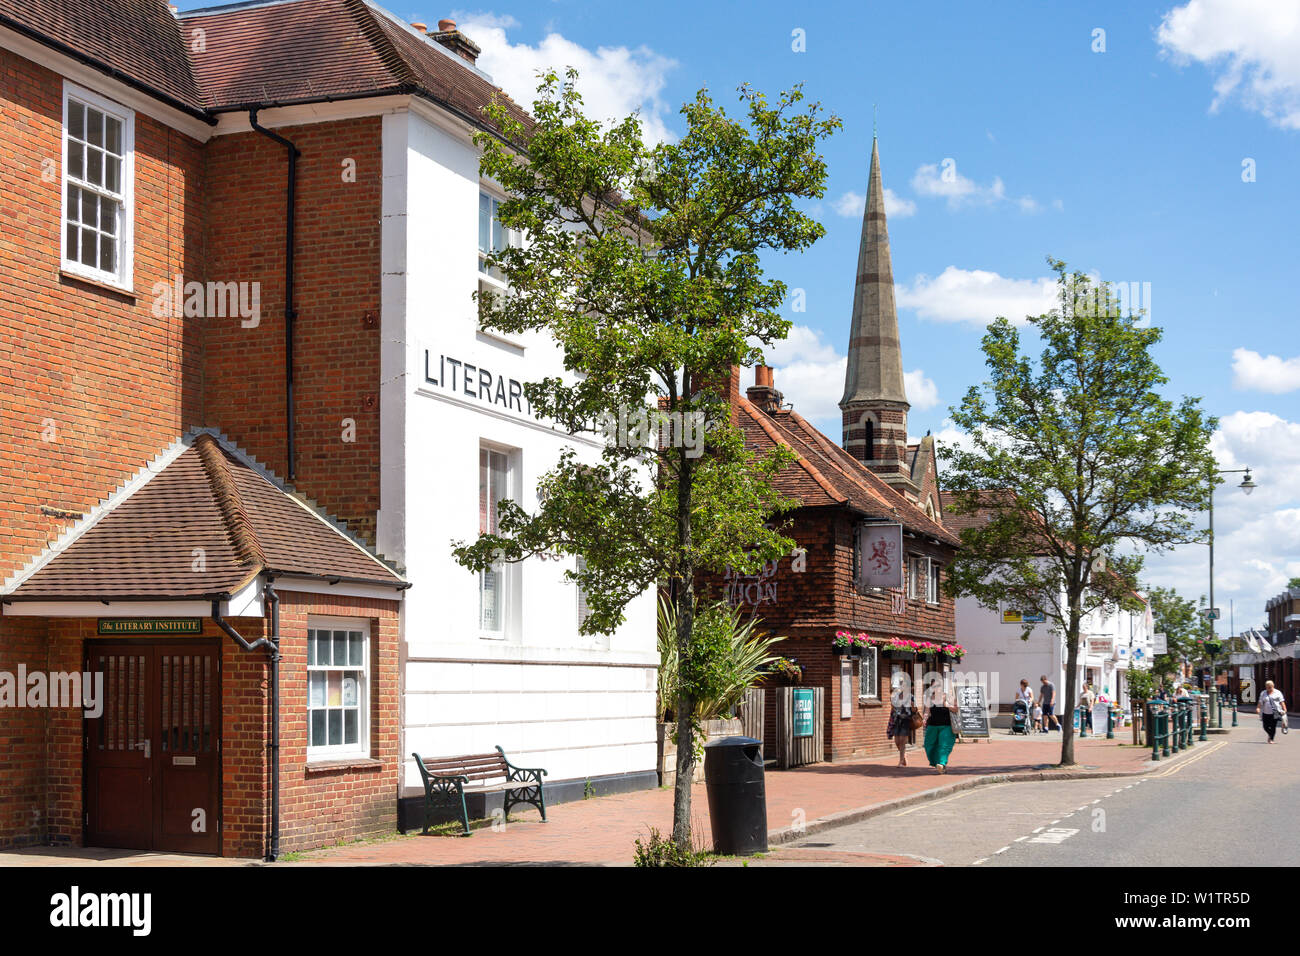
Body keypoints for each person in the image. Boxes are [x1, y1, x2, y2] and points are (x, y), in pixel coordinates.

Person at [922, 683, 960, 773]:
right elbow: (927, 711)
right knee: (928, 745)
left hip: (946, 726)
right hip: (933, 725)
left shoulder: (949, 697)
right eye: (934, 686)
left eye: (938, 686)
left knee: (944, 745)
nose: (936, 688)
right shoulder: (930, 699)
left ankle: (941, 763)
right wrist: (924, 718)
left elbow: (956, 709)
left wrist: (946, 705)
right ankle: (937, 763)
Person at [886, 698, 916, 767]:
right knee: (897, 742)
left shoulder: (910, 697)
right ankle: (904, 756)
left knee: (902, 741)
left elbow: (914, 710)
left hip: (906, 721)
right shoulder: (895, 697)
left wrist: (912, 704)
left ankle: (901, 761)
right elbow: (892, 709)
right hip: (896, 721)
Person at [1259, 680, 1287, 744]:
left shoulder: (1278, 693)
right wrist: (1258, 708)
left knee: (1273, 726)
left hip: (1275, 712)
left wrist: (1284, 709)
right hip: (1265, 712)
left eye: (1269, 687)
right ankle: (1270, 734)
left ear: (1273, 686)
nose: (1268, 689)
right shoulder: (1263, 693)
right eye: (1267, 687)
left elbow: (1282, 702)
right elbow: (1260, 702)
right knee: (1265, 726)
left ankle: (1271, 739)